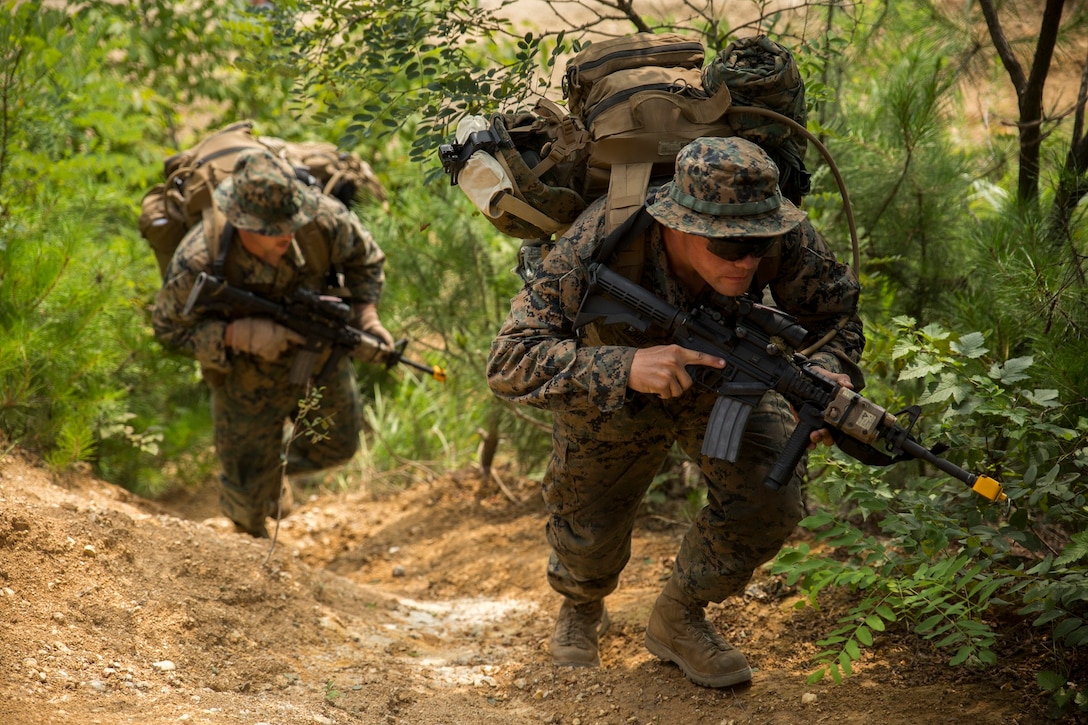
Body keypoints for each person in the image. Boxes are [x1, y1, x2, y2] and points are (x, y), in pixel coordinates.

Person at [486, 136, 864, 688]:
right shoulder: (602, 236)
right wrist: (624, 367)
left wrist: (830, 371)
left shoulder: (783, 233)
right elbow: (509, 360)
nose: (748, 260)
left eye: (758, 245)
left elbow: (836, 318)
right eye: (729, 249)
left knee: (769, 499)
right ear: (677, 225)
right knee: (587, 534)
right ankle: (583, 604)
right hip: (614, 389)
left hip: (728, 381)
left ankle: (680, 616)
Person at [153, 147, 394, 539]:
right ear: (242, 222)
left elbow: (366, 260)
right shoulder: (199, 257)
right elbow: (166, 329)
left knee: (339, 446)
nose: (288, 233)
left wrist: (367, 317)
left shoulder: (320, 218)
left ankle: (273, 471)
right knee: (246, 505)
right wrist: (236, 335)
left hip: (318, 355)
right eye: (273, 228)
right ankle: (257, 556)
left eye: (291, 222)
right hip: (243, 380)